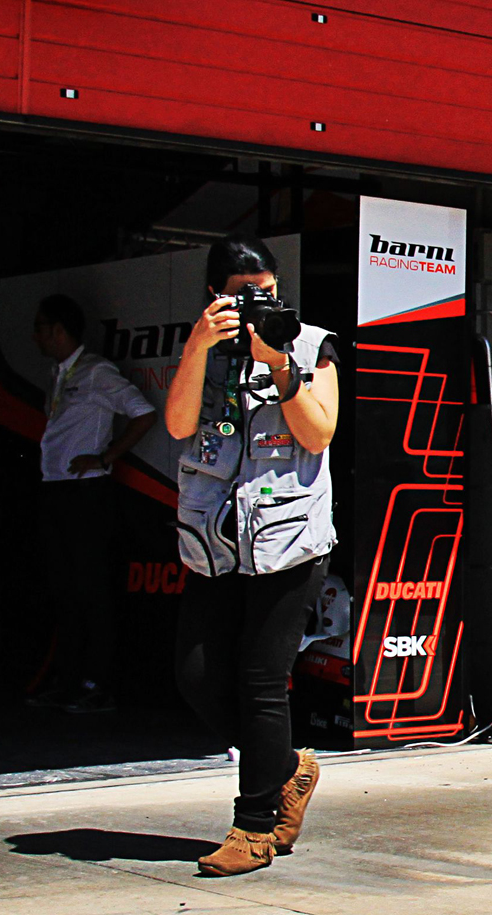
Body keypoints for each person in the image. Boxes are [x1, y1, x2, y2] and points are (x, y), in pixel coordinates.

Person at [163, 235, 339, 876]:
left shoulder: (310, 344)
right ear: (215, 295)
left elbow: (319, 432)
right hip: (215, 540)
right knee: (197, 675)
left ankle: (256, 827)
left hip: (289, 540)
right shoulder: (203, 349)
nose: (257, 304)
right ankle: (287, 768)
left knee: (261, 680)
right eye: (242, 295)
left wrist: (280, 367)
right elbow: (179, 426)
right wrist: (196, 348)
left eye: (266, 291)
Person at [28, 293, 159, 713]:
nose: (35, 336)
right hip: (55, 487)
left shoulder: (96, 371)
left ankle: (97, 683)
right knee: (63, 590)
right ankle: (68, 680)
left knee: (91, 590)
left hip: (86, 492)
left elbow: (144, 413)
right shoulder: (58, 373)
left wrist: (105, 457)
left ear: (58, 330)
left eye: (40, 327)